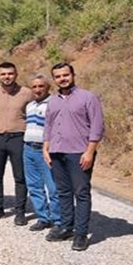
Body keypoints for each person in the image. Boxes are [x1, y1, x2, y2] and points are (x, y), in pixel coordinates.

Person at [43, 63, 105, 251]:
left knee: (81, 192)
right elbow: (48, 126)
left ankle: (80, 234)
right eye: (58, 76)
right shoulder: (52, 101)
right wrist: (46, 148)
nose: (62, 79)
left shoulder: (88, 97)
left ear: (73, 75)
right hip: (56, 151)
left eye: (65, 75)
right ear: (54, 79)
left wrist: (90, 151)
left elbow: (97, 126)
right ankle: (66, 227)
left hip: (79, 152)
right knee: (63, 192)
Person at [0, 62, 34, 225]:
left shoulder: (27, 93)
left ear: (16, 74)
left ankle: (20, 212)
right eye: (3, 74)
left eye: (10, 73)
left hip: (19, 138)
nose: (7, 77)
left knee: (20, 177)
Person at [24, 73, 61, 232]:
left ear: (48, 87)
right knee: (34, 186)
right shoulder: (30, 105)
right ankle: (43, 217)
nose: (37, 89)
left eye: (41, 86)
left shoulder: (54, 103)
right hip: (28, 148)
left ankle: (58, 220)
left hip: (46, 150)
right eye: (34, 87)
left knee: (53, 188)